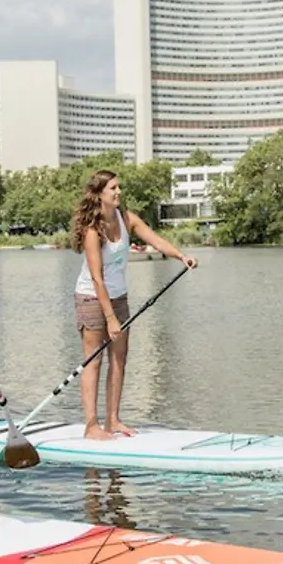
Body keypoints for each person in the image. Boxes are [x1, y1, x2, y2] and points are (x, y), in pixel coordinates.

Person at [68, 169, 197, 440]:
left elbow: (155, 240)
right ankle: (91, 426)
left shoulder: (126, 219)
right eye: (113, 188)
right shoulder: (93, 230)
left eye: (119, 188)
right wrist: (110, 318)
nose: (118, 192)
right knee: (94, 361)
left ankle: (113, 420)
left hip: (119, 296)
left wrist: (180, 255)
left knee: (120, 358)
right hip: (91, 297)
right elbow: (97, 278)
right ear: (99, 194)